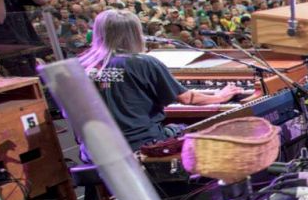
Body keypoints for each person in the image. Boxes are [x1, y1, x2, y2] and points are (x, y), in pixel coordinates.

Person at [78, 9, 247, 150]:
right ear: (135, 34)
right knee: (199, 130)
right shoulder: (142, 62)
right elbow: (187, 98)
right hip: (140, 143)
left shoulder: (81, 65)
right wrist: (220, 96)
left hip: (96, 148)